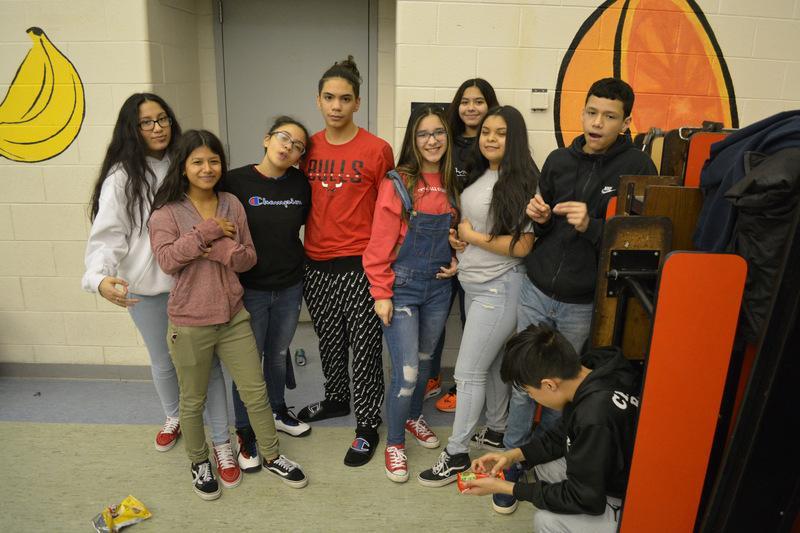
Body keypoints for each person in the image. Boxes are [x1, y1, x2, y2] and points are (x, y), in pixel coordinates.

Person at [498, 77, 658, 513]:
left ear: (626, 122)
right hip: (536, 287)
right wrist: (539, 217)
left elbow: (641, 245)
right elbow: (545, 224)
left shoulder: (639, 168)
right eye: (591, 112)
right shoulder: (558, 160)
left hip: (583, 301)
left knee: (560, 388)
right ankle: (512, 460)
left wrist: (594, 226)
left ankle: (546, 461)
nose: (597, 122)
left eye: (609, 116)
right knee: (524, 382)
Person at [149, 130, 307, 500]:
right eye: (198, 162)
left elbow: (247, 257)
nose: (207, 168)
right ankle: (199, 461)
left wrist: (219, 248)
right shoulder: (166, 212)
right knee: (193, 399)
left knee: (256, 392)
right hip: (190, 322)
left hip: (234, 317)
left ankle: (272, 455)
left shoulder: (231, 203)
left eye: (214, 161)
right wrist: (206, 232)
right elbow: (168, 260)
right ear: (183, 167)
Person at [82, 93, 231, 460]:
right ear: (131, 129)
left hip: (193, 282)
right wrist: (99, 277)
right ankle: (174, 416)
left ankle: (220, 435)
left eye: (162, 118)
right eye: (146, 122)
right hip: (148, 290)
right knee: (163, 359)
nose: (157, 127)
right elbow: (109, 234)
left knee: (205, 363)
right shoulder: (121, 177)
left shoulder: (185, 162)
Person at [417, 105, 538, 487]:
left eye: (500, 133)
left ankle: (456, 454)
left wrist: (472, 237)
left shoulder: (523, 181)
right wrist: (462, 243)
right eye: (486, 131)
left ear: (514, 138)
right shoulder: (481, 173)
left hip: (500, 288)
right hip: (476, 283)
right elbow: (479, 229)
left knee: (468, 373)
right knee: (493, 365)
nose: (490, 138)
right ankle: (497, 431)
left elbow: (523, 246)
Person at [297, 55, 395, 467]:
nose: (336, 106)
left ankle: (368, 422)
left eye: (345, 98)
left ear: (357, 103)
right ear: (318, 100)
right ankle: (337, 397)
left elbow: (390, 212)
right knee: (330, 340)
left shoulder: (377, 150)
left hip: (359, 265)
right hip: (316, 263)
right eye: (329, 97)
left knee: (366, 348)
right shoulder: (306, 147)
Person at [462, 324, 639, 533]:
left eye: (529, 392)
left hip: (633, 499)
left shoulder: (593, 417)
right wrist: (512, 456)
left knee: (547, 521)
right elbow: (561, 436)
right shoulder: (596, 369)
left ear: (549, 385)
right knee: (545, 467)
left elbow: (585, 498)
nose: (532, 397)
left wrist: (507, 488)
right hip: (622, 469)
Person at [362, 105, 459, 482]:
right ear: (413, 140)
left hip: (439, 288)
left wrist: (457, 259)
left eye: (438, 133)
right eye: (423, 134)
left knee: (424, 364)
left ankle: (414, 415)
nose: (432, 140)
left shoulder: (454, 181)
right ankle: (395, 443)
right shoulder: (398, 182)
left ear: (447, 137)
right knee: (406, 373)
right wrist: (380, 292)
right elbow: (378, 244)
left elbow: (461, 234)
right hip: (401, 288)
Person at [221, 116, 313, 475]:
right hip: (250, 290)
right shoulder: (234, 181)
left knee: (277, 355)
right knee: (248, 363)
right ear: (266, 139)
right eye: (283, 137)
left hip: (289, 286)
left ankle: (277, 410)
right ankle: (245, 432)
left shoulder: (300, 184)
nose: (288, 146)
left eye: (297, 145)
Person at [428, 79, 500, 414]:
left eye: (479, 101)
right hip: (444, 241)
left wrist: (469, 235)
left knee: (472, 318)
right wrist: (449, 231)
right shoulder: (445, 142)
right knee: (435, 315)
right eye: (465, 101)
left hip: (481, 247)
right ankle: (431, 377)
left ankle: (463, 386)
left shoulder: (496, 144)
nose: (471, 108)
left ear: (490, 105)